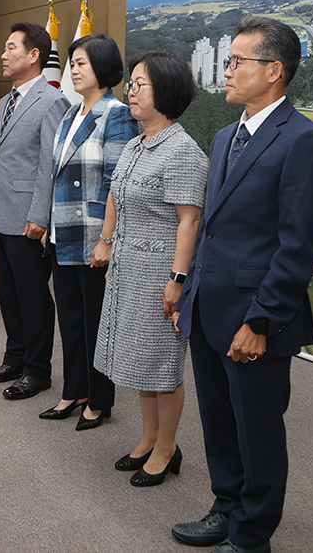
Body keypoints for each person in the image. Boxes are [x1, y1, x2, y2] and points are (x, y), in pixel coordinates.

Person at [171, 16, 313, 553]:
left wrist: (261, 320)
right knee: (219, 425)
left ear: (274, 71)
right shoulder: (224, 137)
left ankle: (251, 536)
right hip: (208, 307)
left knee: (257, 433)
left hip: (254, 319)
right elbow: (213, 228)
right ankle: (226, 508)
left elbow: (296, 246)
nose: (227, 70)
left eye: (237, 61)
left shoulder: (305, 141)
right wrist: (189, 292)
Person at [93, 52, 207, 485]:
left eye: (141, 84)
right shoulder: (136, 144)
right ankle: (147, 438)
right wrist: (108, 246)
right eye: (132, 83)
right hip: (128, 269)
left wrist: (178, 279)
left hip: (161, 271)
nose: (131, 92)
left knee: (161, 364)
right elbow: (116, 196)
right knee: (140, 360)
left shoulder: (182, 151)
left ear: (167, 92)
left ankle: (167, 447)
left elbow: (189, 220)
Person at [39, 34, 135, 430]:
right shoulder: (69, 114)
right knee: (72, 319)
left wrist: (106, 240)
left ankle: (99, 399)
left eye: (81, 63)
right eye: (72, 64)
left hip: (95, 235)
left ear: (103, 68)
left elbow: (117, 182)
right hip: (65, 233)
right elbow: (56, 176)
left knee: (97, 322)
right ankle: (73, 390)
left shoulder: (117, 114)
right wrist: (48, 224)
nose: (73, 70)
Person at [0, 22, 70, 400]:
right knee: (10, 294)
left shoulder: (52, 101)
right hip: (0, 211)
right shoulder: (6, 99)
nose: (4, 54)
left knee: (32, 296)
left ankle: (38, 371)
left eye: (11, 47)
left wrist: (39, 216)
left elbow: (49, 165)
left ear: (34, 55)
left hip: (28, 217)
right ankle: (14, 358)